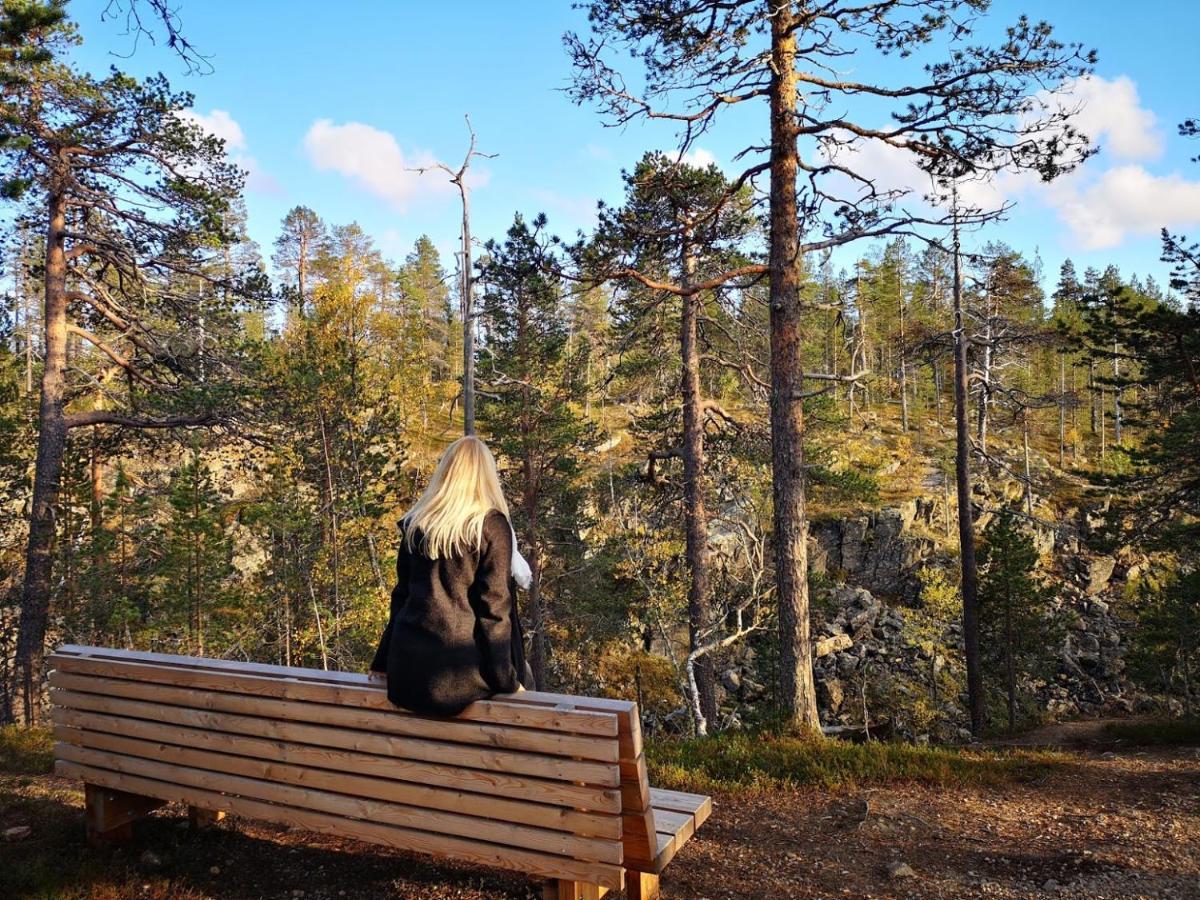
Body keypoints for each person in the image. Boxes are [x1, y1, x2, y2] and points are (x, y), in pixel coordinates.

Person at [369, 435, 532, 715]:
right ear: (486, 475)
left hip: (406, 674)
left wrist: (382, 662)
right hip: (457, 678)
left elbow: (401, 598)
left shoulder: (416, 524)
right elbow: (494, 610)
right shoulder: (490, 526)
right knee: (527, 681)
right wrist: (507, 680)